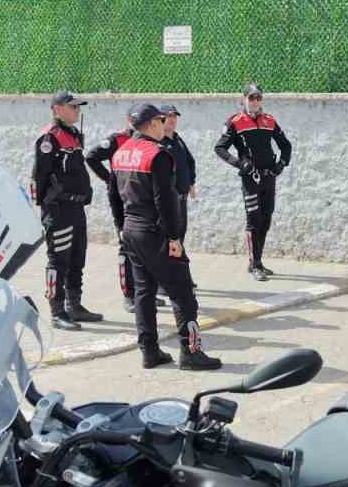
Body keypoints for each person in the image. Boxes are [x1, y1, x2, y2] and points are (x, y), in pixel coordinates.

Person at [113, 102, 221, 371]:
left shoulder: (121, 153)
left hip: (131, 229)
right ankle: (191, 353)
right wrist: (174, 238)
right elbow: (165, 201)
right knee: (183, 293)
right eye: (162, 120)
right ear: (152, 124)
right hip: (155, 231)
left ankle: (150, 352)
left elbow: (114, 195)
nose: (165, 124)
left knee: (144, 293)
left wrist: (121, 227)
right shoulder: (157, 154)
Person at [31, 90, 103, 331]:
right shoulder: (49, 138)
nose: (77, 110)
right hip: (58, 210)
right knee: (58, 260)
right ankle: (57, 312)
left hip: (76, 207)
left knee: (77, 258)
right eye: (72, 106)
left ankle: (75, 306)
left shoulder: (72, 134)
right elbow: (39, 176)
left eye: (78, 107)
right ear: (57, 109)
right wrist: (49, 206)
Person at [215, 83, 292, 281]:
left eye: (258, 97)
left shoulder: (269, 120)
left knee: (266, 219)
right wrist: (239, 163)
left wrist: (281, 164)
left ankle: (257, 261)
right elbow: (220, 148)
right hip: (250, 178)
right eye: (251, 97)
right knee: (254, 220)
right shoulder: (235, 121)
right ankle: (255, 264)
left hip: (269, 178)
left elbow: (286, 145)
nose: (255, 101)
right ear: (244, 99)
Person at [85, 120, 139, 312]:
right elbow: (91, 157)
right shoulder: (117, 139)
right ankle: (129, 295)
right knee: (127, 246)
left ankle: (144, 292)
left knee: (146, 246)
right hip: (121, 200)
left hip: (141, 198)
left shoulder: (150, 139)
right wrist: (110, 180)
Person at [161, 105, 199, 291]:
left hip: (181, 198)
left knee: (179, 238)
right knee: (168, 240)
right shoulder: (158, 142)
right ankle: (164, 282)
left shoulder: (177, 139)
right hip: (168, 200)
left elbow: (189, 161)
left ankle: (181, 277)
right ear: (160, 119)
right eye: (169, 116)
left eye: (175, 116)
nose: (173, 120)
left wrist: (191, 183)